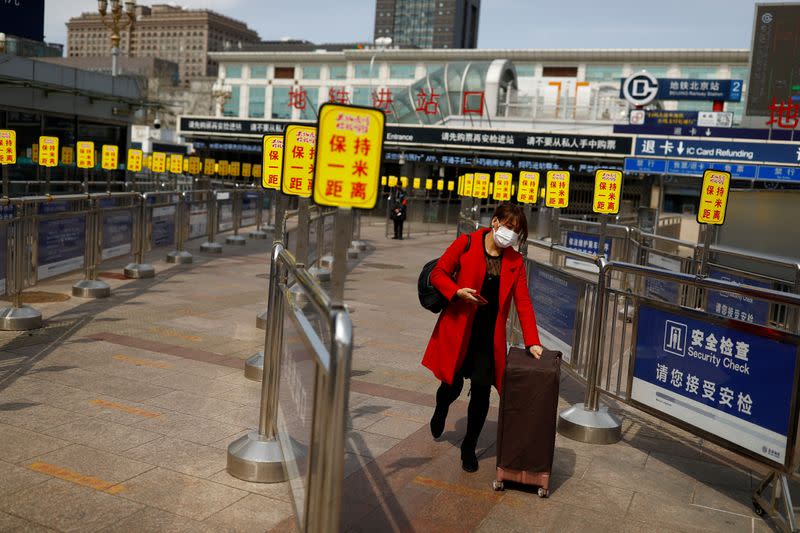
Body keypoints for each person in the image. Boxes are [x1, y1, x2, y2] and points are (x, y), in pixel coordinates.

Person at [421, 203, 542, 473]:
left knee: (482, 392)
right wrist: (456, 292)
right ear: (496, 222)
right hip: (459, 330)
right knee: (450, 386)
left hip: (489, 337)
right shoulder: (466, 243)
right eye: (509, 227)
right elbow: (438, 273)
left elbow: (523, 302)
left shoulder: (515, 261)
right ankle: (441, 407)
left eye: (517, 232)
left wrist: (532, 340)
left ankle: (469, 447)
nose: (511, 235)